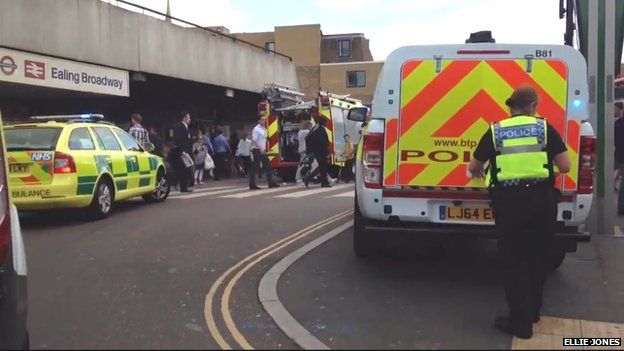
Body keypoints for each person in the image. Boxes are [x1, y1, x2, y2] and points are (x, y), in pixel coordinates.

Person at [468, 86, 571, 339]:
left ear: (510, 107)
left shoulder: (496, 131)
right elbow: (565, 166)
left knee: (514, 262)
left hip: (510, 203)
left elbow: (474, 166)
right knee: (538, 258)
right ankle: (534, 312)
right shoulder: (544, 128)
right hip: (542, 202)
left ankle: (520, 323)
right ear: (533, 105)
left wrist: (483, 169)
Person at [249, 115, 280, 190]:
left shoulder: (263, 129)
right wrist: (260, 149)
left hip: (262, 150)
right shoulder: (256, 129)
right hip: (257, 150)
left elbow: (264, 139)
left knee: (268, 166)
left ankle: (271, 183)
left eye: (265, 120)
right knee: (255, 168)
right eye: (262, 120)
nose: (264, 121)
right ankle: (252, 184)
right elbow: (254, 140)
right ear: (258, 121)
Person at [304, 115, 331, 188]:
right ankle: (324, 183)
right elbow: (323, 142)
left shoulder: (315, 128)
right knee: (323, 166)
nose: (327, 123)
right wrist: (327, 150)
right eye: (326, 122)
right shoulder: (320, 129)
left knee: (322, 166)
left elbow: (307, 139)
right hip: (320, 151)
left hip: (316, 151)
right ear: (323, 122)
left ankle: (309, 179)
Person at [172, 111, 194, 193]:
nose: (190, 119)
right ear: (185, 118)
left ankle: (183, 187)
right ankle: (181, 186)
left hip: (186, 151)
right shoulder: (179, 127)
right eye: (189, 117)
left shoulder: (186, 127)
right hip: (182, 152)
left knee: (185, 169)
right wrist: (182, 151)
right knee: (184, 169)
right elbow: (178, 140)